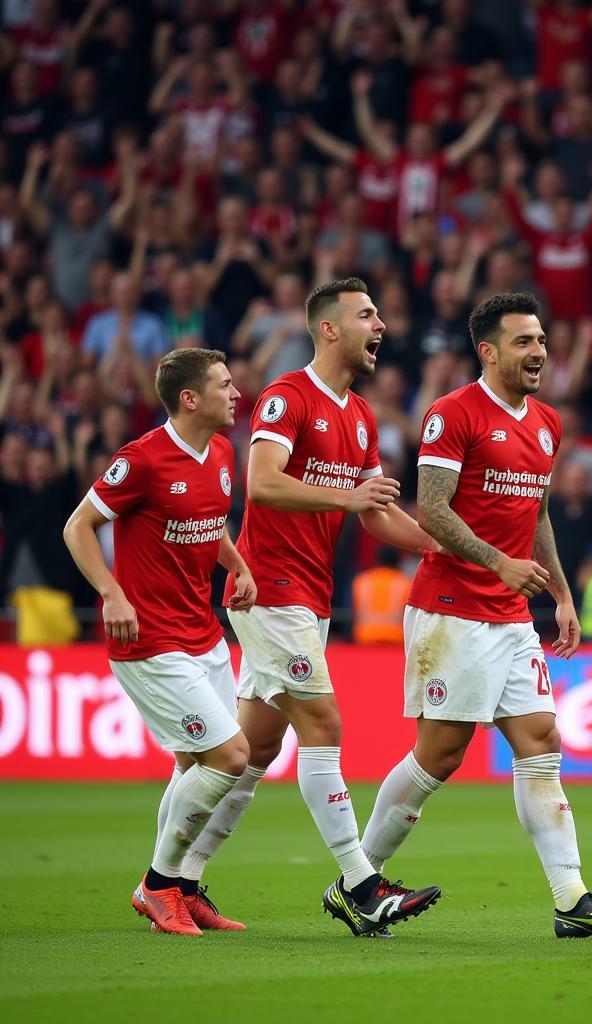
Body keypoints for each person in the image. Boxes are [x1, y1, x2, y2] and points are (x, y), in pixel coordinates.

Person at [358, 292, 592, 938]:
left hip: (512, 612)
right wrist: (499, 563)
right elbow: (432, 510)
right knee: (440, 755)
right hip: (451, 610)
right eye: (524, 342)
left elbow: (538, 513)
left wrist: (564, 596)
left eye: (542, 340)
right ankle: (361, 879)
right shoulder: (452, 415)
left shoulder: (547, 422)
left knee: (542, 741)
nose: (540, 352)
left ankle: (572, 899)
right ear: (488, 351)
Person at [179, 279, 442, 938]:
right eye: (366, 315)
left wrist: (447, 547)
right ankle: (360, 885)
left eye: (379, 314)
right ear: (328, 329)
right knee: (323, 727)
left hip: (310, 596)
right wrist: (350, 500)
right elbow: (263, 483)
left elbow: (376, 513)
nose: (380, 324)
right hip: (269, 588)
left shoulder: (358, 415)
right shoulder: (286, 397)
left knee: (249, 753)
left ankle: (175, 884)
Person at [62, 348, 257, 935]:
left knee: (198, 764)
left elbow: (208, 523)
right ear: (190, 398)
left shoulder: (221, 452)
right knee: (232, 758)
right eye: (225, 385)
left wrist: (237, 565)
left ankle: (181, 889)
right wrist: (110, 592)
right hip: (149, 640)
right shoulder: (141, 459)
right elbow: (78, 526)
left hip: (203, 632)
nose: (236, 393)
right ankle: (157, 884)